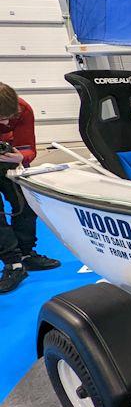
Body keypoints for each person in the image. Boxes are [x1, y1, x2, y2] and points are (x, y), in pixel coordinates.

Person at [0, 83, 60, 294]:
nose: (6, 123)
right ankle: (13, 264)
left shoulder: (23, 109)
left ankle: (27, 253)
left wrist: (20, 157)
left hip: (11, 161)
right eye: (1, 119)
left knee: (26, 205)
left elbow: (28, 148)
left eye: (9, 117)